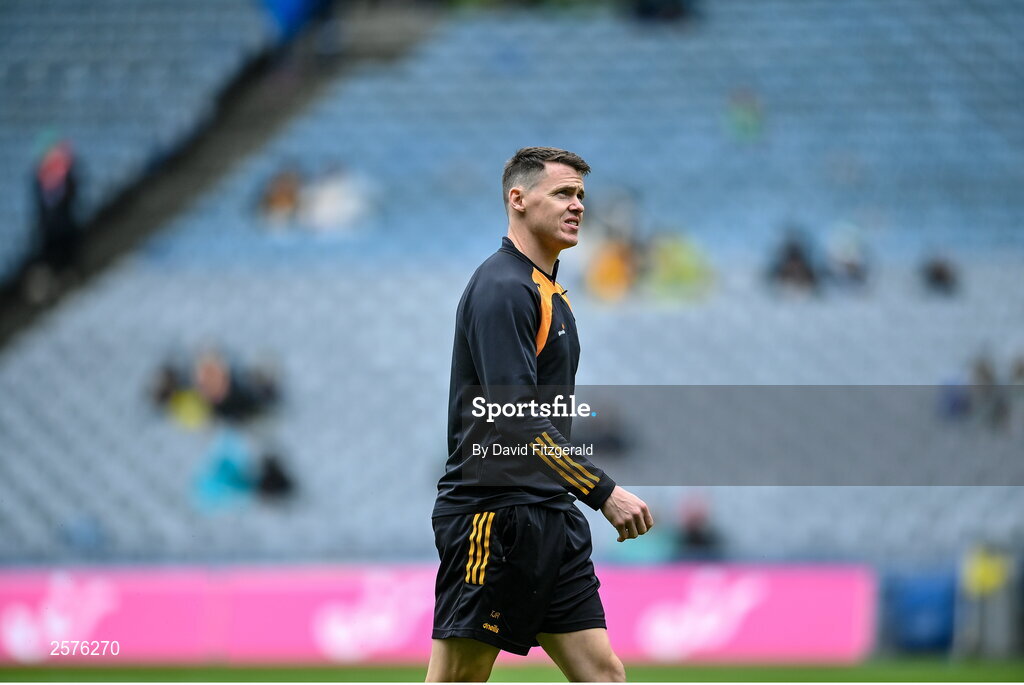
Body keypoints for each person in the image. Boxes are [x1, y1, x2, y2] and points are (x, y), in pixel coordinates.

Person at [428, 147, 653, 682]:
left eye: (580, 195)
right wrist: (603, 491)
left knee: (603, 674)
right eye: (562, 193)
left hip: (547, 512)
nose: (577, 206)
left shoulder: (547, 290)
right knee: (458, 678)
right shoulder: (504, 288)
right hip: (495, 516)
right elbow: (513, 418)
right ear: (518, 199)